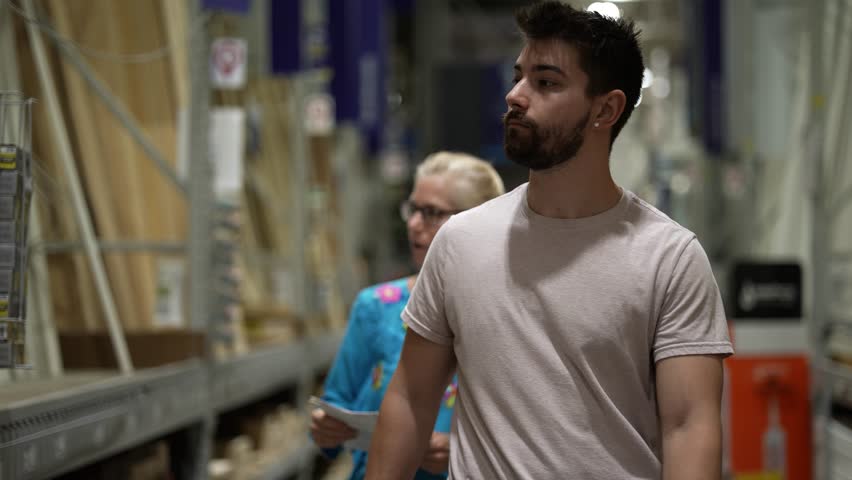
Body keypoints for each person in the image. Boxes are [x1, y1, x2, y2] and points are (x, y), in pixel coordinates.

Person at [365, 2, 734, 479]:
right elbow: (411, 399)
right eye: (519, 76)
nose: (516, 95)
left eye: (546, 82)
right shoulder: (461, 242)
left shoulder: (669, 258)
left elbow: (689, 425)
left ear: (607, 108)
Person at [310, 151, 505, 480]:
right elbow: (334, 407)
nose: (414, 224)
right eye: (413, 209)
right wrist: (325, 429)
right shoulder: (377, 307)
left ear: (475, 220)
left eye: (432, 213)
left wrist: (458, 451)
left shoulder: (505, 315)